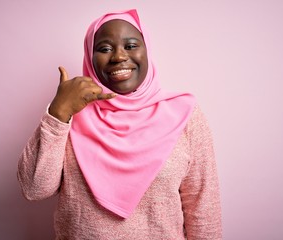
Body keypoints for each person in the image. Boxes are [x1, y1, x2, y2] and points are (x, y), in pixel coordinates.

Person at [17, 9, 222, 239]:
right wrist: (58, 112)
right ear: (90, 57)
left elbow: (203, 210)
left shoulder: (184, 115)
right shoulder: (70, 112)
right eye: (104, 48)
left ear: (147, 51)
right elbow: (35, 189)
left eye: (131, 45)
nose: (119, 57)